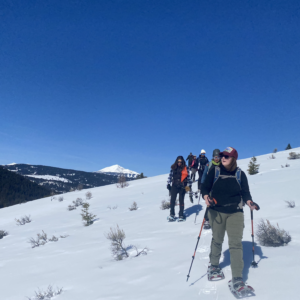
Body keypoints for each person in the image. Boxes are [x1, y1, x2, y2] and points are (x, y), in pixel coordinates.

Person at [201, 147, 256, 293]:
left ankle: (237, 278)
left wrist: (250, 202)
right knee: (217, 239)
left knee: (235, 244)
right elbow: (205, 187)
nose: (223, 158)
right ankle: (214, 265)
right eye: (222, 155)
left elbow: (245, 192)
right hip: (216, 211)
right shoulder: (215, 170)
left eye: (227, 156)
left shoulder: (240, 174)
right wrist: (206, 197)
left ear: (234, 159)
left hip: (235, 212)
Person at [167, 156, 192, 221]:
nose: (179, 163)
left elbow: (189, 177)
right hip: (174, 186)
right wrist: (168, 184)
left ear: (183, 161)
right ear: (176, 161)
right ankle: (172, 214)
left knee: (181, 200)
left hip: (182, 186)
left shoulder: (185, 168)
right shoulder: (173, 168)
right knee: (172, 200)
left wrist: (189, 185)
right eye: (178, 161)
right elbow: (170, 176)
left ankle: (181, 215)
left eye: (181, 162)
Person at [201, 149, 221, 228]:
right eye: (215, 157)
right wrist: (202, 185)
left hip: (219, 186)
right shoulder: (209, 164)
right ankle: (207, 219)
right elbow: (204, 175)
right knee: (210, 202)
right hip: (211, 186)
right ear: (213, 157)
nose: (216, 159)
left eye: (218, 157)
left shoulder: (222, 165)